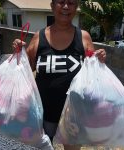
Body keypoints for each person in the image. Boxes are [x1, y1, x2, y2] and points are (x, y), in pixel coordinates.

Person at [12, 0, 106, 149]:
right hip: (45, 111)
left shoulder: (84, 37)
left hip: (74, 113)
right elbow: (26, 68)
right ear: (52, 6)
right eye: (61, 2)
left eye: (71, 3)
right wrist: (19, 52)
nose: (66, 7)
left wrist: (99, 60)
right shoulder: (39, 36)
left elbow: (92, 73)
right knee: (45, 146)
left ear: (76, 7)